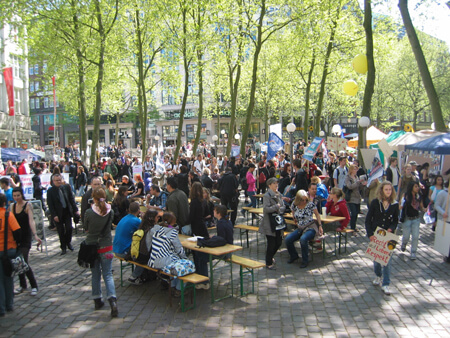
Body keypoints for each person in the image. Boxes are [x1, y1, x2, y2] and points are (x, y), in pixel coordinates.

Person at [84, 187, 118, 317]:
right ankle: (112, 300)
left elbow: (86, 228)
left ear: (93, 198)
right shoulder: (110, 211)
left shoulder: (88, 212)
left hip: (92, 246)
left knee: (95, 274)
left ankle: (97, 299)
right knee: (108, 274)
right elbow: (109, 226)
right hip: (107, 246)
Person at [365, 181, 399, 296]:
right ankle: (378, 275)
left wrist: (391, 228)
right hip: (376, 234)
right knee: (377, 260)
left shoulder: (394, 204)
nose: (388, 192)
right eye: (386, 189)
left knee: (387, 261)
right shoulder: (375, 203)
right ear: (381, 190)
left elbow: (395, 220)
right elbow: (368, 219)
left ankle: (386, 284)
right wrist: (370, 234)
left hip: (388, 236)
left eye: (390, 190)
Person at [9, 188, 41, 296]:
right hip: (15, 237)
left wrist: (35, 234)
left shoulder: (27, 205)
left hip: (26, 237)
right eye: (14, 196)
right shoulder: (12, 206)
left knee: (24, 261)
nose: (16, 198)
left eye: (18, 195)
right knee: (18, 262)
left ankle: (34, 285)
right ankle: (23, 285)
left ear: (22, 195)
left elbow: (31, 221)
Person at [193, 204, 233, 290]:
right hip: (227, 249)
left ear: (218, 213)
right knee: (199, 253)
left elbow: (222, 241)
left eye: (214, 211)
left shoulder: (221, 223)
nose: (213, 212)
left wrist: (213, 240)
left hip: (225, 252)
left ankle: (204, 282)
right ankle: (201, 278)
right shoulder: (227, 221)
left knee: (201, 256)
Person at [148, 215, 187, 297]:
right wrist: (185, 259)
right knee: (185, 267)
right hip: (164, 261)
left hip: (152, 261)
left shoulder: (154, 230)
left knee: (174, 266)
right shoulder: (172, 232)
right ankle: (178, 289)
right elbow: (179, 249)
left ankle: (172, 286)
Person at [285, 190, 323, 268]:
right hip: (300, 227)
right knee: (288, 239)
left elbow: (317, 215)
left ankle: (305, 260)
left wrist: (320, 226)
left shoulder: (310, 204)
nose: (304, 201)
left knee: (303, 239)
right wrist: (294, 218)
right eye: (302, 200)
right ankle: (294, 256)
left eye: (305, 199)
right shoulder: (295, 205)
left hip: (310, 227)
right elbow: (293, 211)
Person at [0, 193, 22, 317]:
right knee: (9, 278)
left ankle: (1, 308)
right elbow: (18, 231)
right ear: (4, 203)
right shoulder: (8, 215)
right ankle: (9, 304)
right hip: (9, 249)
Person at [46, 174, 79, 255]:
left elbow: (71, 199)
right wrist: (54, 215)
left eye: (60, 180)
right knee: (61, 231)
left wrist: (76, 210)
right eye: (57, 180)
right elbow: (50, 205)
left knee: (69, 229)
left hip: (67, 212)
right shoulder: (50, 191)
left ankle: (68, 243)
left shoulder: (66, 188)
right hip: (58, 214)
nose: (59, 182)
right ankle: (63, 247)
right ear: (53, 181)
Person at [112, 202, 144, 284]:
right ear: (138, 211)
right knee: (144, 256)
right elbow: (145, 231)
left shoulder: (124, 218)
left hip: (116, 248)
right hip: (123, 251)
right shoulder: (136, 221)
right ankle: (134, 276)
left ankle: (141, 275)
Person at [259, 178, 285, 270]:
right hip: (269, 223)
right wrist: (276, 207)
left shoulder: (279, 194)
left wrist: (279, 208)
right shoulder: (267, 195)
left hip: (278, 222)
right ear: (269, 185)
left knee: (279, 242)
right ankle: (268, 262)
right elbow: (266, 209)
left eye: (277, 183)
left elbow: (283, 206)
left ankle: (270, 257)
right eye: (274, 183)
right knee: (271, 243)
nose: (276, 185)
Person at [400, 181, 426, 260]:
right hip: (407, 219)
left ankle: (413, 252)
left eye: (417, 186)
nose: (417, 188)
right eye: (415, 186)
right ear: (411, 187)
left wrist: (426, 209)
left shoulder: (419, 196)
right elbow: (400, 205)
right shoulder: (406, 195)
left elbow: (421, 207)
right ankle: (404, 243)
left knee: (415, 236)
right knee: (406, 236)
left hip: (416, 219)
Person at [344, 164, 367, 233]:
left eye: (356, 169)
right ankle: (352, 227)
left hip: (357, 198)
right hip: (351, 198)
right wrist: (358, 182)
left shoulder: (356, 177)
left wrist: (362, 185)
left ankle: (354, 227)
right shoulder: (348, 178)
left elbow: (359, 187)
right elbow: (350, 186)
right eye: (354, 169)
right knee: (353, 213)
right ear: (351, 170)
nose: (356, 170)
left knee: (356, 213)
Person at [434, 181, 450, 262]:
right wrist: (443, 212)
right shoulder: (443, 193)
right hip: (446, 219)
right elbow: (436, 205)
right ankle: (447, 256)